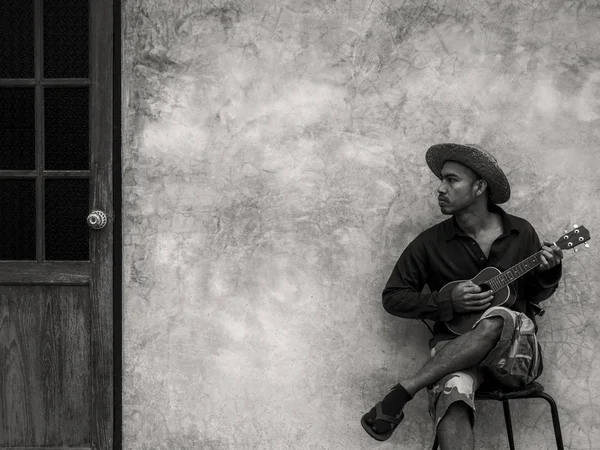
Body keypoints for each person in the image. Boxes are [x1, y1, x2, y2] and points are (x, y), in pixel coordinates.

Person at [360, 143, 563, 449]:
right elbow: (393, 297)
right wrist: (447, 302)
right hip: (454, 357)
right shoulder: (430, 244)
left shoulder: (521, 233)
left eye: (451, 180)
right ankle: (429, 383)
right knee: (452, 392)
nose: (440, 189)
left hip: (515, 357)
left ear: (479, 187)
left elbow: (536, 294)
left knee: (501, 317)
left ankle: (405, 390)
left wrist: (549, 270)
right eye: (441, 180)